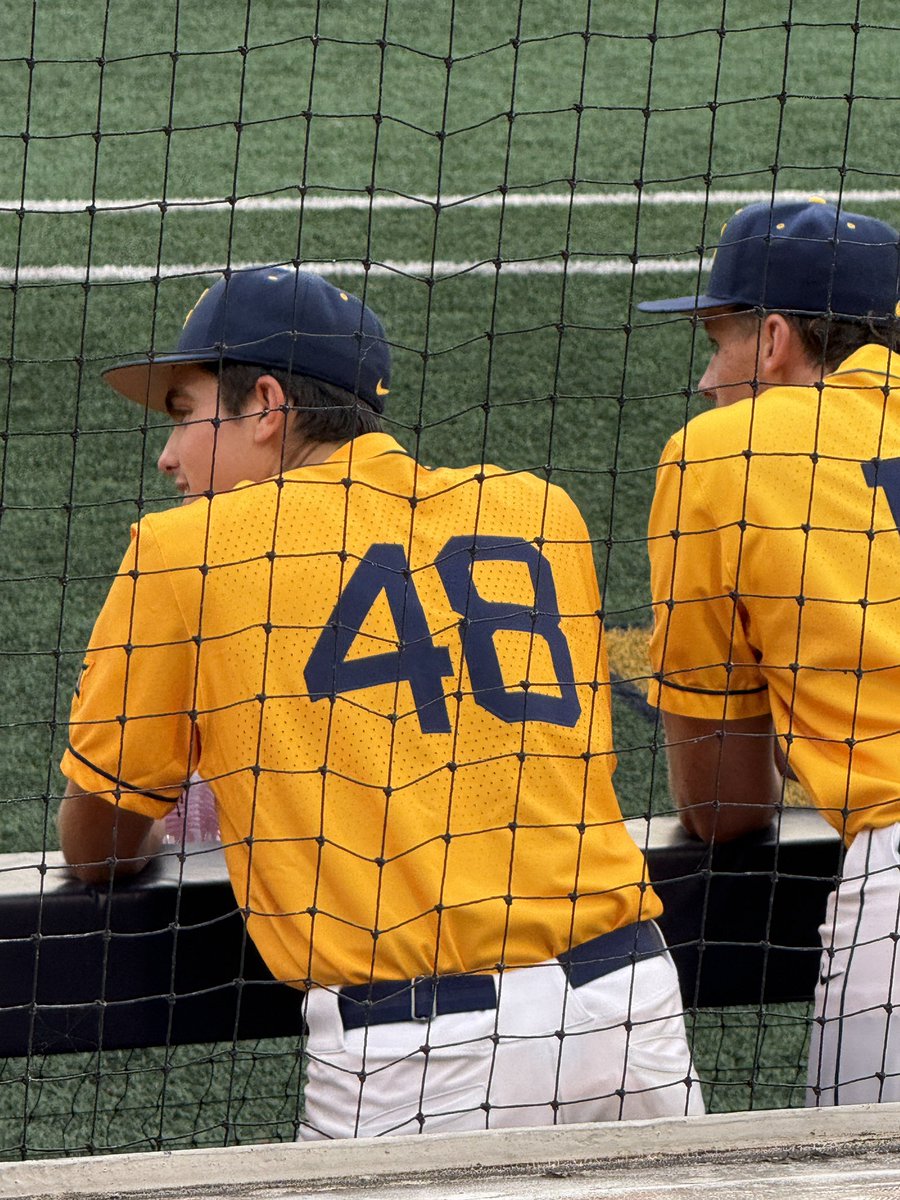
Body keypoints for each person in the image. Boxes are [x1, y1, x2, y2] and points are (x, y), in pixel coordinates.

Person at [58, 264, 702, 1138]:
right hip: (632, 1015)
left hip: (420, 1061)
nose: (169, 455)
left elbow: (96, 842)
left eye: (184, 413)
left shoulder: (186, 552)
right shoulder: (539, 512)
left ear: (266, 406)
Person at [638, 197, 900, 1106]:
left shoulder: (725, 451)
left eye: (720, 342)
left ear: (778, 338)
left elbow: (723, 803)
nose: (710, 379)